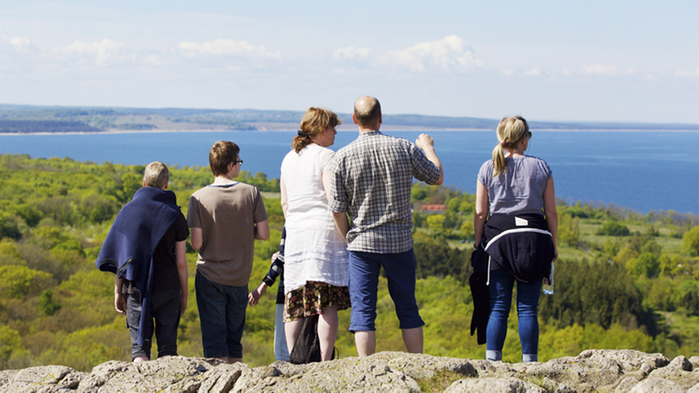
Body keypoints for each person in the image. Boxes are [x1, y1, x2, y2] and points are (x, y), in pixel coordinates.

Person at [330, 96, 443, 357]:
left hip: (361, 245)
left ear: (355, 119)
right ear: (380, 117)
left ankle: (366, 371)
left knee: (363, 312)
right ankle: (418, 363)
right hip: (400, 242)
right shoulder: (404, 147)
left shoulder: (342, 157)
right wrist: (428, 147)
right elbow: (437, 177)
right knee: (407, 308)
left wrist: (349, 237)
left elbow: (337, 209)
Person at [473, 116, 558, 363]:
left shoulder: (487, 168)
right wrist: (553, 244)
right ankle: (530, 363)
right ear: (524, 139)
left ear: (500, 138)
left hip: (498, 241)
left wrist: (478, 244)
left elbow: (480, 212)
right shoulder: (541, 167)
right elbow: (550, 212)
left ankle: (493, 362)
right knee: (528, 308)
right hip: (534, 241)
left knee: (498, 307)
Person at [95, 161, 189, 362]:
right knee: (168, 351)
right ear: (166, 184)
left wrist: (117, 291)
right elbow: (181, 262)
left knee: (139, 351)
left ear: (144, 183)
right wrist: (184, 294)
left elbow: (122, 259)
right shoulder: (176, 216)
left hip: (135, 288)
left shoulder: (127, 212)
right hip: (168, 287)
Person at [187, 141, 269, 364]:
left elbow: (196, 243)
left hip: (209, 277)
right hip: (239, 277)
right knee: (234, 342)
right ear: (231, 165)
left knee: (215, 342)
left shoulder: (198, 198)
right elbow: (263, 233)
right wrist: (241, 229)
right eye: (239, 162)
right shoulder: (251, 192)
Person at [279, 107, 350, 361]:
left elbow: (285, 203)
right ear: (321, 130)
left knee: (296, 301)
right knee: (326, 301)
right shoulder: (327, 156)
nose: (335, 133)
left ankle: (293, 360)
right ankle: (323, 360)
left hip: (296, 233)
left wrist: (296, 224)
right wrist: (347, 235)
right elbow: (334, 202)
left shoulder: (288, 158)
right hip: (323, 234)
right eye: (333, 128)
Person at [248, 227, 289, 362]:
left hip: (289, 292)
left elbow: (283, 257)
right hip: (319, 293)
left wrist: (264, 284)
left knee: (283, 350)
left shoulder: (293, 219)